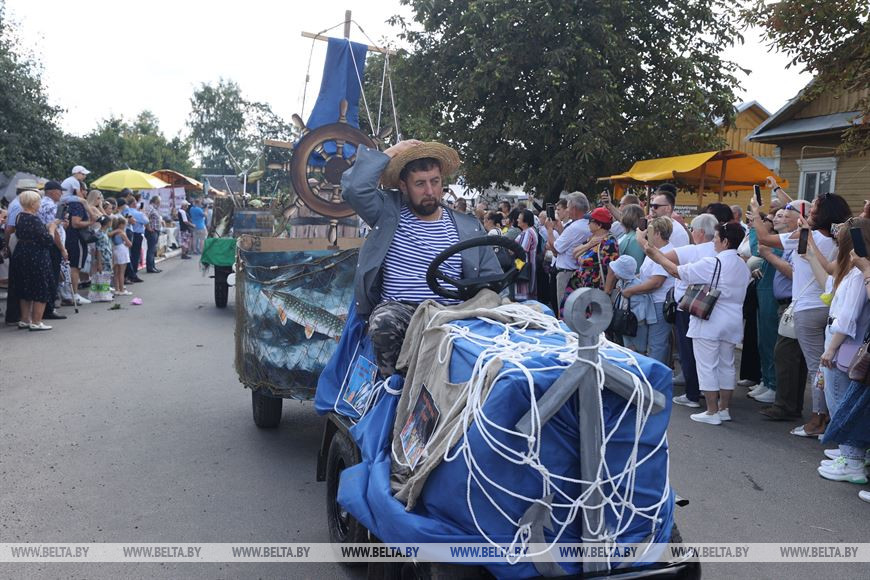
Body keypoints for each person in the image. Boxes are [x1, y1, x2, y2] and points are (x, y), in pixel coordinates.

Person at [340, 139, 501, 376]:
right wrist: (394, 152)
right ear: (403, 186)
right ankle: (393, 389)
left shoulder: (468, 226)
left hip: (453, 313)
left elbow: (493, 280)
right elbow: (354, 188)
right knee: (383, 322)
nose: (429, 191)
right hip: (402, 313)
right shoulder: (387, 212)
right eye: (420, 184)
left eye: (435, 182)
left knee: (526, 314)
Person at [753, 190, 853, 437]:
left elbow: (763, 239)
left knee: (816, 368)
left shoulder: (807, 236)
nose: (811, 211)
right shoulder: (839, 239)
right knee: (827, 367)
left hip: (808, 307)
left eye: (815, 207)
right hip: (828, 306)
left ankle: (818, 420)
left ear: (822, 213)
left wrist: (756, 212)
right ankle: (825, 416)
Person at [646, 223, 751, 425]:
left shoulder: (714, 262)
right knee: (726, 365)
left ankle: (712, 411)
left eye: (717, 238)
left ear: (725, 241)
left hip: (711, 319)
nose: (713, 241)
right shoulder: (741, 264)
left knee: (707, 366)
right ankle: (723, 409)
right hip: (733, 319)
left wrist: (655, 254)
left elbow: (677, 271)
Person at [820, 249, 870, 495]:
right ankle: (851, 455)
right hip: (847, 345)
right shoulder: (856, 273)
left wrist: (830, 349)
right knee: (843, 402)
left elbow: (848, 316)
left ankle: (852, 460)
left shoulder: (861, 275)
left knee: (843, 403)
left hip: (847, 347)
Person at [758, 202, 810, 421]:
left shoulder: (801, 239)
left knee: (786, 356)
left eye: (785, 215)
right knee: (789, 357)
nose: (780, 218)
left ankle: (785, 405)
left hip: (795, 304)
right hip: (790, 303)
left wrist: (769, 255)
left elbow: (792, 272)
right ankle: (789, 404)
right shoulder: (795, 239)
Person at [666, 213, 719, 408]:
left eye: (693, 229)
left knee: (688, 350)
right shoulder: (719, 251)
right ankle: (708, 390)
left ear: (701, 232)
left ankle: (692, 394)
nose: (691, 233)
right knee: (708, 353)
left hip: (689, 304)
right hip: (712, 304)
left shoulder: (690, 251)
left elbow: (661, 259)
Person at [625, 217, 674, 365]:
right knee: (652, 342)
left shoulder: (665, 252)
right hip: (651, 301)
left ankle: (655, 378)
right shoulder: (655, 250)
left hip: (659, 302)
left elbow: (656, 282)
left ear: (657, 233)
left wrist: (631, 290)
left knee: (657, 343)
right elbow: (647, 274)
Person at [9, 191, 59, 331]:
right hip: (36, 255)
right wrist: (52, 228)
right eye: (38, 202)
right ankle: (36, 321)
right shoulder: (34, 219)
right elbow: (47, 240)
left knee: (25, 286)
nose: (40, 204)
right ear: (32, 204)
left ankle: (25, 319)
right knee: (40, 287)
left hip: (22, 252)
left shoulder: (20, 216)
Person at [562, 207, 619, 305]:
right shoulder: (592, 238)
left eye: (590, 221)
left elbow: (612, 270)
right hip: (582, 286)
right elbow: (574, 253)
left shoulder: (609, 242)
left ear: (599, 225)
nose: (588, 224)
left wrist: (606, 293)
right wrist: (588, 245)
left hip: (595, 289)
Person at [545, 192, 591, 308]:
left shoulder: (575, 227)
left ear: (574, 209)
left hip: (566, 273)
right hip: (576, 271)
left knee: (565, 310)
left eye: (568, 208)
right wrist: (560, 229)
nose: (567, 211)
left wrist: (549, 230)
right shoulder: (588, 224)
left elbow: (556, 249)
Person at [609, 255, 656, 354]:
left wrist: (650, 320)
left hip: (638, 323)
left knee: (639, 348)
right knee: (627, 347)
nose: (614, 272)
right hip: (624, 322)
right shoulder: (620, 283)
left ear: (622, 272)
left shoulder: (638, 286)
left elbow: (647, 303)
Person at [35, 181, 68, 321]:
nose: (61, 193)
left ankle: (46, 309)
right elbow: (53, 231)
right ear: (53, 191)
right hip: (52, 245)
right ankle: (48, 309)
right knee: (52, 277)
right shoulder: (50, 206)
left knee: (50, 276)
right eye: (60, 190)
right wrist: (62, 248)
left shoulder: (43, 203)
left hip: (44, 243)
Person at [60, 179, 95, 305]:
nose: (86, 193)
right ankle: (73, 294)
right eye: (85, 190)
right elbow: (76, 223)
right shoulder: (77, 204)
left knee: (72, 265)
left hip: (69, 237)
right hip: (77, 238)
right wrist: (90, 222)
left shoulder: (68, 203)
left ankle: (69, 294)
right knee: (75, 266)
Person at [120, 190, 147, 283]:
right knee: (131, 255)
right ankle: (130, 275)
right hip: (129, 231)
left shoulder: (123, 207)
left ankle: (128, 275)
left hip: (127, 231)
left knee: (129, 255)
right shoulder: (126, 207)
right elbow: (132, 220)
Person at [89, 216, 115, 302]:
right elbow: (99, 249)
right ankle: (103, 294)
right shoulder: (101, 235)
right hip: (103, 259)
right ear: (107, 223)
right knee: (103, 276)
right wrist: (99, 263)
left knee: (101, 276)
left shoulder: (102, 233)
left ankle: (99, 294)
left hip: (106, 257)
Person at [514, 209, 538, 300]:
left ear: (525, 221)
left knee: (524, 291)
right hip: (525, 264)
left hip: (524, 265)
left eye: (519, 218)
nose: (517, 220)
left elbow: (522, 249)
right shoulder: (528, 231)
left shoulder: (528, 232)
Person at [109, 217, 132, 296]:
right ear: (121, 225)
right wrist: (127, 244)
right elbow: (129, 244)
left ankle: (117, 289)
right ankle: (122, 290)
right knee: (121, 272)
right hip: (122, 250)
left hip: (115, 250)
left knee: (116, 272)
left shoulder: (113, 232)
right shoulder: (122, 233)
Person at [145, 196, 163, 273]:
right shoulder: (150, 208)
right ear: (156, 201)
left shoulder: (155, 208)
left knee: (153, 250)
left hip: (156, 231)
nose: (160, 203)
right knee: (151, 250)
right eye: (159, 201)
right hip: (152, 231)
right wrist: (148, 227)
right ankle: (150, 267)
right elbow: (145, 218)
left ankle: (153, 266)